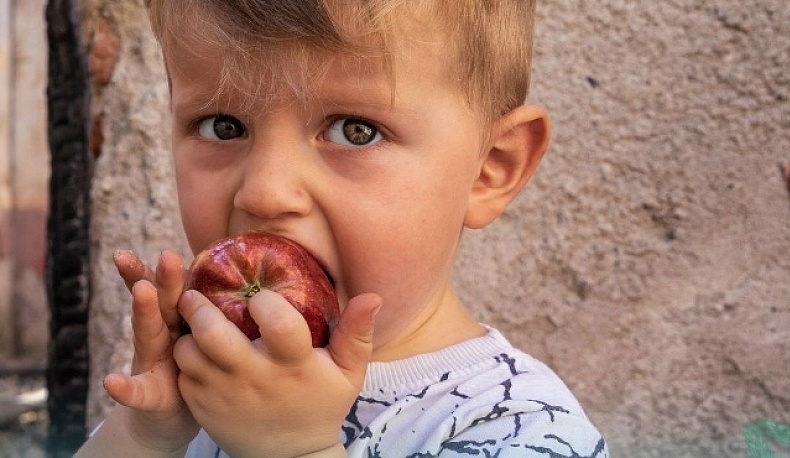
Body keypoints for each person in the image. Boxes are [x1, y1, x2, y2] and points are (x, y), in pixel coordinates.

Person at [75, 0, 609, 456]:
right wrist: (147, 434)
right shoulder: (203, 384)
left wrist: (298, 448)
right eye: (224, 126)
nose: (265, 192)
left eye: (355, 131)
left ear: (492, 168)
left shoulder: (517, 426)